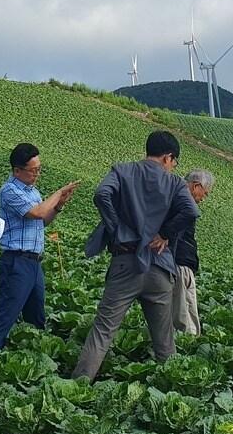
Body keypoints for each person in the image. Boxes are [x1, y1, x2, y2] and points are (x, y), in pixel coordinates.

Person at [72, 131, 199, 380]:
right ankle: (173, 393)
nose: (173, 167)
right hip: (160, 268)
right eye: (175, 162)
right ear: (168, 157)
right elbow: (191, 211)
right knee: (164, 340)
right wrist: (164, 234)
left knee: (103, 331)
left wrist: (116, 227)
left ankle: (78, 386)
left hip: (125, 263)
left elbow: (101, 194)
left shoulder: (122, 171)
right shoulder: (173, 184)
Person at [0, 143, 79, 349]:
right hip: (16, 260)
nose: (37, 174)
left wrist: (59, 205)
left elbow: (41, 222)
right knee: (5, 316)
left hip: (34, 262)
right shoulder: (10, 190)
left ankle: (32, 356)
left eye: (39, 169)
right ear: (17, 170)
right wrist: (57, 193)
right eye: (33, 170)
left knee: (36, 317)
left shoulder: (33, 193)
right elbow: (37, 213)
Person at [171, 169, 215, 335]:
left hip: (182, 264)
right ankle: (182, 355)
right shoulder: (184, 204)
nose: (204, 198)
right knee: (183, 318)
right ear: (196, 186)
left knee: (185, 312)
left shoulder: (176, 197)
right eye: (205, 193)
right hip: (180, 264)